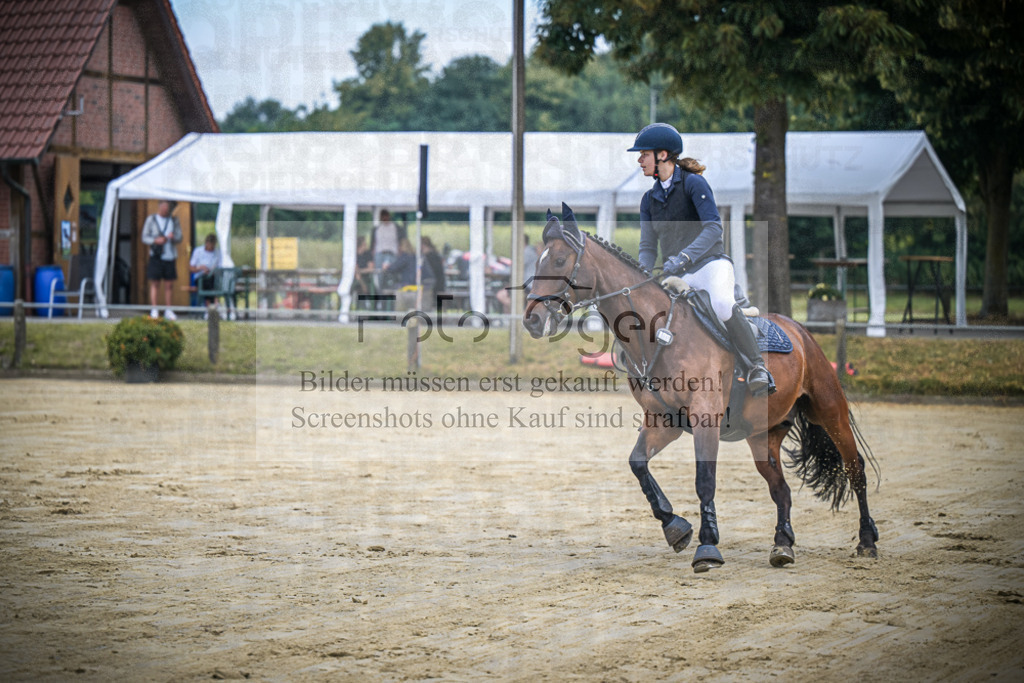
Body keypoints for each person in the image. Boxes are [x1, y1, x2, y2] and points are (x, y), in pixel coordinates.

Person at [629, 123, 775, 396]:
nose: (639, 160)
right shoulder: (648, 200)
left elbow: (713, 228)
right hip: (677, 275)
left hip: (710, 265)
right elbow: (648, 246)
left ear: (662, 155)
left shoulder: (694, 184)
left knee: (721, 304)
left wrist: (684, 256)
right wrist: (642, 274)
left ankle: (757, 367)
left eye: (644, 154)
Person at [141, 200, 183, 320]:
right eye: (163, 207)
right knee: (155, 283)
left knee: (169, 284)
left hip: (170, 256)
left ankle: (168, 309)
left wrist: (173, 237)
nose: (165, 209)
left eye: (167, 207)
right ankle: (154, 308)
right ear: (159, 207)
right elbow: (144, 236)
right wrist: (155, 240)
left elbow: (179, 237)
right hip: (156, 255)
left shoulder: (174, 220)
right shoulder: (152, 219)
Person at [189, 233, 222, 310]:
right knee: (208, 284)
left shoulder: (217, 253)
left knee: (211, 282)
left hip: (213, 277)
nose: (211, 248)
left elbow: (220, 267)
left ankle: (210, 308)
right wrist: (200, 268)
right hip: (200, 278)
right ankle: (214, 305)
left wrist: (213, 270)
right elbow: (191, 268)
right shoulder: (198, 251)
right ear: (206, 243)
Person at [420, 236, 446, 301]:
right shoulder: (435, 254)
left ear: (423, 245)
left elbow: (433, 272)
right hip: (439, 282)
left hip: (435, 285)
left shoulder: (430, 256)